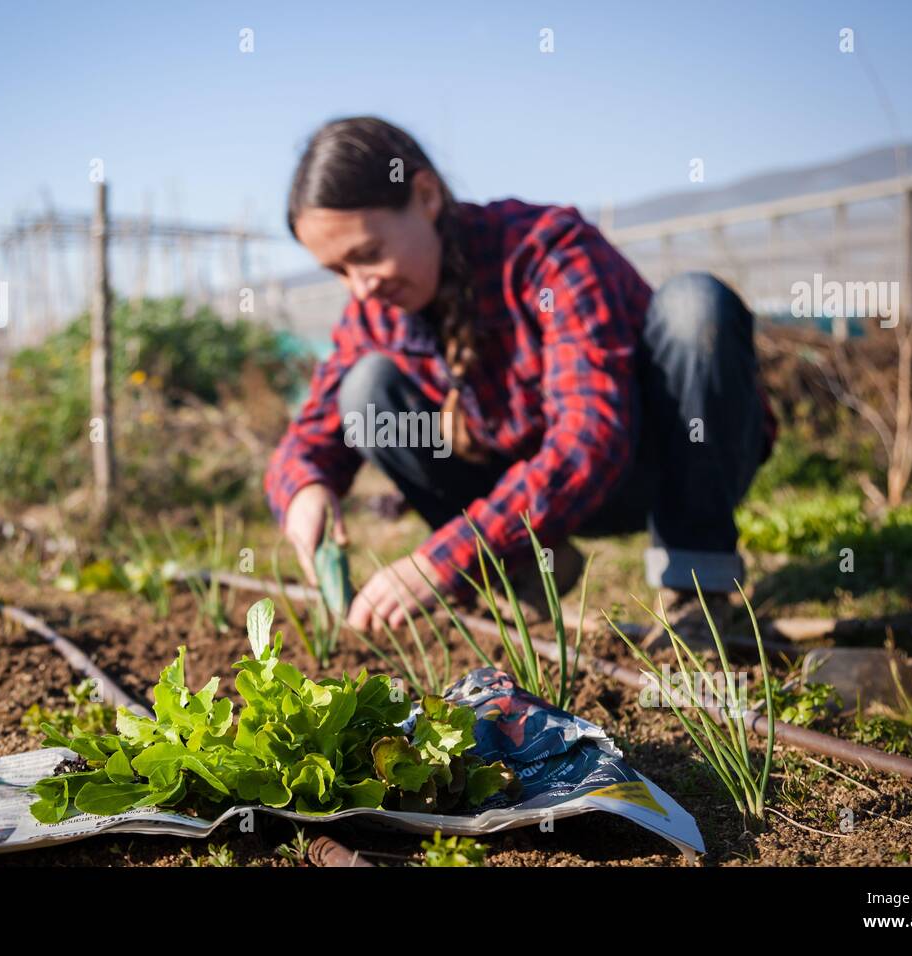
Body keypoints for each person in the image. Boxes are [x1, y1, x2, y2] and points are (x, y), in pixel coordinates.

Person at [266, 116, 776, 639]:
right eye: (339, 271)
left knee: (695, 307)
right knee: (365, 390)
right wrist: (303, 488)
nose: (361, 286)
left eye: (368, 256)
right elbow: (308, 437)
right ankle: (523, 571)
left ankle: (697, 592)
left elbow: (591, 438)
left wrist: (449, 559)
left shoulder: (546, 252)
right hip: (539, 511)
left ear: (425, 195)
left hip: (656, 468)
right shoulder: (377, 312)